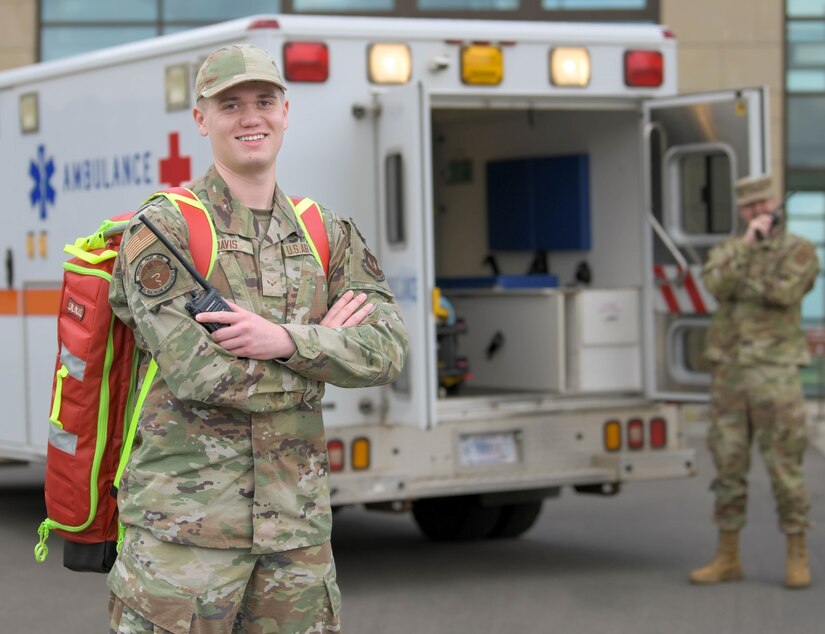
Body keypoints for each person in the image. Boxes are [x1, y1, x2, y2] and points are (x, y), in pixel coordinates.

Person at [106, 44, 408, 632]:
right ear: (202, 119)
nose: (251, 117)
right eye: (231, 104)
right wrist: (324, 352)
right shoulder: (164, 232)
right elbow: (200, 374)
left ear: (286, 111)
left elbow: (391, 351)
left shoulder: (328, 232)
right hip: (184, 540)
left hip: (297, 537)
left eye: (264, 101)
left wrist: (285, 341)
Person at [690, 174, 818, 589]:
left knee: (784, 467)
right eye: (749, 207)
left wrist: (740, 278)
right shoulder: (731, 248)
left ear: (776, 203)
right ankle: (728, 556)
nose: (758, 212)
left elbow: (782, 293)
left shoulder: (799, 250)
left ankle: (797, 554)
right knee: (728, 465)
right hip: (730, 375)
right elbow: (715, 284)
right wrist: (745, 248)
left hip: (774, 374)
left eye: (763, 204)